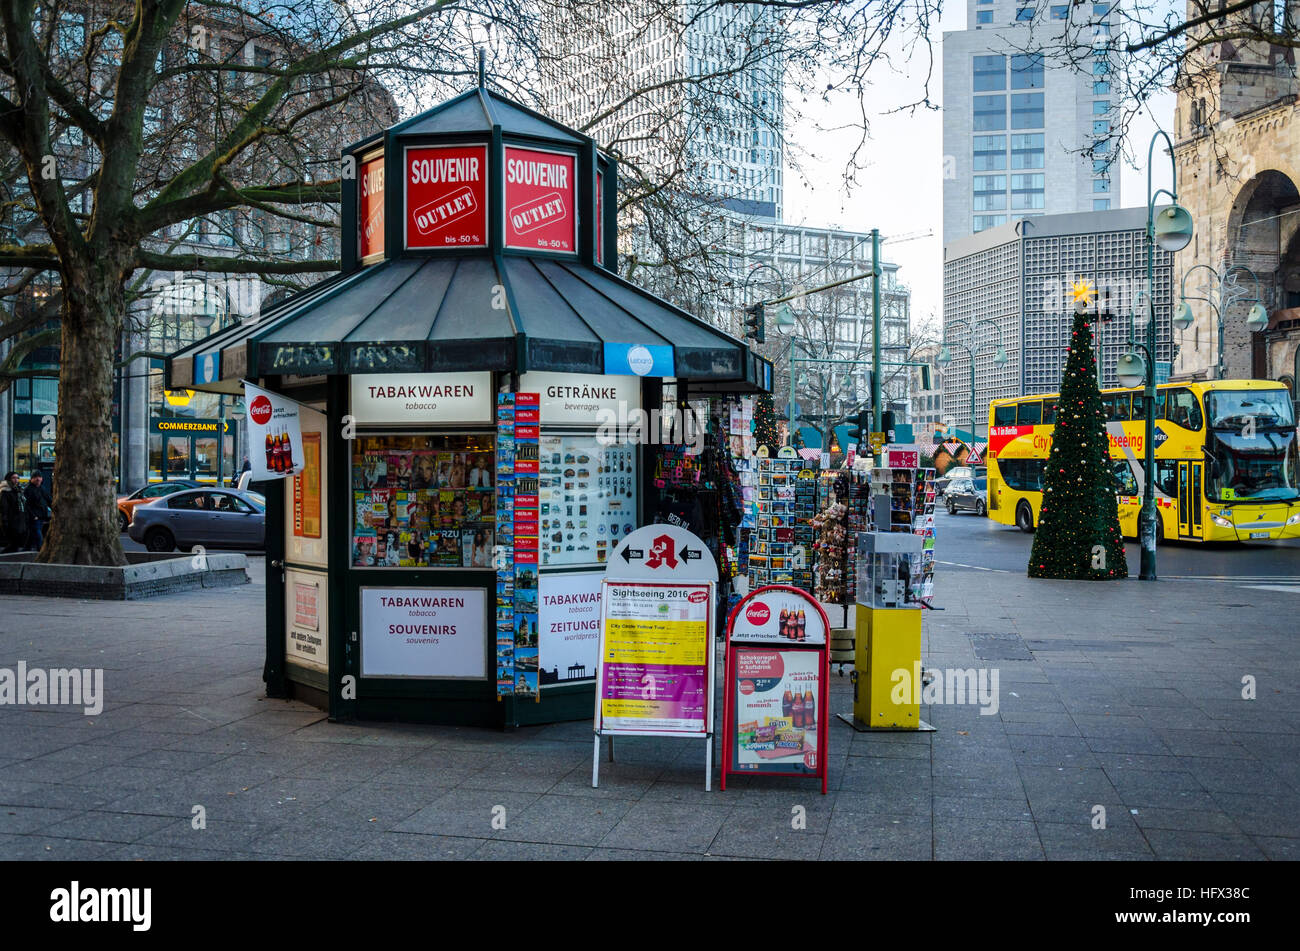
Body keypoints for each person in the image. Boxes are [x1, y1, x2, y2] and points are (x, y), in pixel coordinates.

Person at [1, 471, 28, 553]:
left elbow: (24, 504)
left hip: (20, 520)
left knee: (16, 544)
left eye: (17, 478)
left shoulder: (19, 490)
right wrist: (5, 520)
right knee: (13, 543)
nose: (16, 480)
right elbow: (3, 507)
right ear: (8, 479)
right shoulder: (5, 491)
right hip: (11, 520)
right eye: (14, 478)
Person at [24, 472, 51, 551]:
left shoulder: (42, 488)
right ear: (31, 479)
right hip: (34, 516)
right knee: (37, 532)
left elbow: (49, 499)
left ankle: (26, 548)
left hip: (42, 515)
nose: (38, 479)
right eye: (35, 477)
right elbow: (27, 505)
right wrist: (33, 516)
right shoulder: (28, 489)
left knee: (33, 533)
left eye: (39, 477)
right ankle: (41, 549)